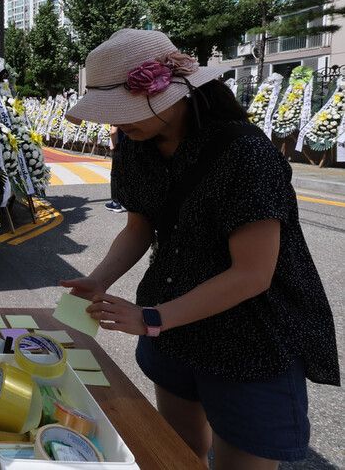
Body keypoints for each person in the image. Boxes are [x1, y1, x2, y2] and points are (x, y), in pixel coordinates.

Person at [60, 29, 339, 470]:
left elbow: (252, 274)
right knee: (178, 451)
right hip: (172, 329)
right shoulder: (136, 145)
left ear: (175, 91)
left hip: (249, 341)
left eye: (123, 109)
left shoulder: (246, 153)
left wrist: (150, 318)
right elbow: (140, 226)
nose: (116, 125)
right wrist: (99, 279)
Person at [104, 126, 126, 213]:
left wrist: (113, 144)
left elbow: (113, 131)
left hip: (120, 147)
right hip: (133, 146)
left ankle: (116, 203)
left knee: (115, 175)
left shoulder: (118, 113)